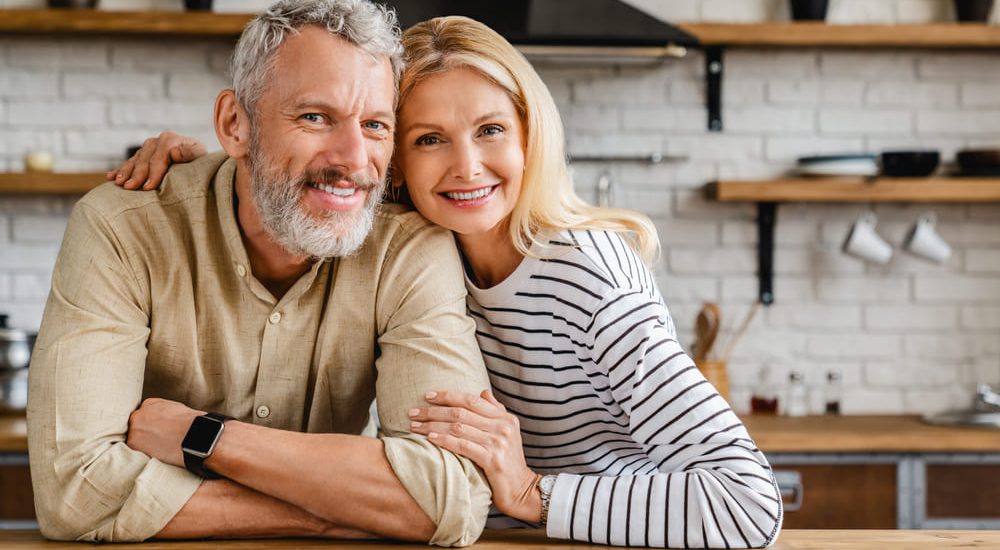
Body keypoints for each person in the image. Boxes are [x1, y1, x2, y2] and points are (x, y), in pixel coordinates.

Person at [112, 15, 783, 549]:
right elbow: (311, 184)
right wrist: (208, 164)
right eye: (430, 138)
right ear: (396, 160)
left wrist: (529, 494)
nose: (467, 166)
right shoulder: (419, 251)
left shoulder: (589, 278)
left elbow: (749, 504)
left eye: (490, 130)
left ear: (530, 137)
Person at [27, 1, 492, 545]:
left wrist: (206, 438)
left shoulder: (408, 248)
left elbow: (453, 497)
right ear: (234, 124)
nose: (352, 156)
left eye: (374, 125)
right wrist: (328, 512)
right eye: (315, 117)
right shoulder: (123, 227)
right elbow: (73, 492)